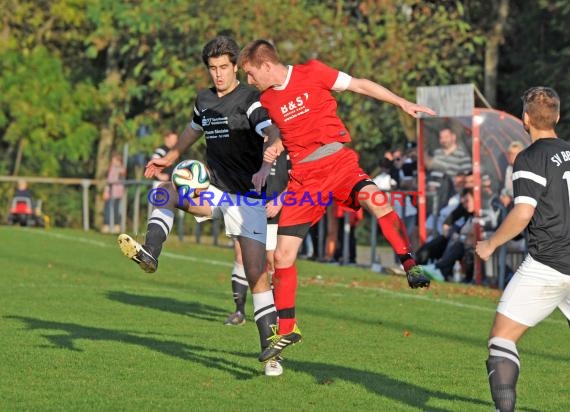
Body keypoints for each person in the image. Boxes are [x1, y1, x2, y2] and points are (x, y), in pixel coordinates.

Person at [238, 39, 435, 362]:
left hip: (338, 164)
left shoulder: (313, 72)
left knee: (377, 200)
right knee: (282, 257)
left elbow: (358, 85)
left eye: (249, 73)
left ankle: (409, 263)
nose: (249, 81)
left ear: (266, 66)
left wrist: (401, 102)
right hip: (304, 181)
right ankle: (287, 328)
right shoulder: (267, 99)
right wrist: (272, 148)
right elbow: (277, 129)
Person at [117, 36, 284, 376]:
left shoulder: (250, 99)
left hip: (248, 198)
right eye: (213, 68)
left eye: (224, 67)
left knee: (257, 277)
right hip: (215, 192)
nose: (219, 74)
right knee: (164, 191)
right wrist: (172, 157)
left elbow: (268, 127)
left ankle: (272, 354)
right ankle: (151, 251)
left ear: (235, 67)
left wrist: (274, 140)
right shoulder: (204, 99)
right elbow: (192, 129)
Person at [476, 87, 570, 412]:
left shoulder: (529, 158)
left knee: (501, 340)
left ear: (525, 119)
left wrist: (489, 244)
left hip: (547, 265)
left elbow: (523, 213)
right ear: (557, 116)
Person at [224, 150, 289, 326]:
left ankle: (276, 314)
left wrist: (280, 200)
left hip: (273, 211)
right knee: (240, 257)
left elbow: (299, 177)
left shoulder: (286, 146)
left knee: (273, 261)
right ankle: (239, 312)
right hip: (247, 208)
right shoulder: (250, 140)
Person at [102, 152, 126, 234]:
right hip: (110, 192)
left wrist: (119, 167)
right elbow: (109, 181)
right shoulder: (111, 168)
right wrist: (106, 191)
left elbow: (123, 172)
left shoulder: (120, 168)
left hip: (117, 193)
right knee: (108, 209)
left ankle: (116, 226)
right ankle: (107, 226)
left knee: (116, 210)